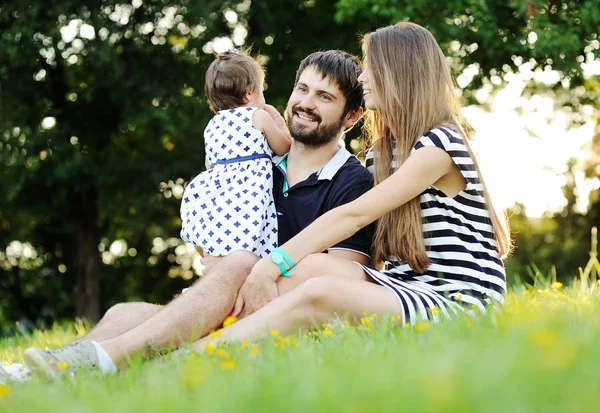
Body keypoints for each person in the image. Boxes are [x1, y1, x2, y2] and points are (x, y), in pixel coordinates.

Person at [21, 50, 374, 380]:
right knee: (123, 314)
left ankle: (95, 363)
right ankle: (49, 372)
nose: (305, 104)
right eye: (302, 89)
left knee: (239, 263)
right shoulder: (255, 167)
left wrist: (252, 276)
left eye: (324, 97)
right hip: (226, 308)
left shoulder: (352, 182)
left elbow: (341, 280)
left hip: (279, 317)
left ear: (353, 116)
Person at [185, 21, 512, 347]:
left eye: (371, 68)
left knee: (319, 290)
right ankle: (194, 337)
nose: (362, 77)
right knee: (314, 266)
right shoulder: (382, 155)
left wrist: (271, 265)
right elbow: (380, 252)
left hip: (458, 296)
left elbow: (352, 216)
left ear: (398, 74)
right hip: (402, 284)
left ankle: (194, 352)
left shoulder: (440, 145)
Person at [180, 48, 291, 259]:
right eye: (261, 90)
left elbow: (209, 164)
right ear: (249, 93)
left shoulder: (212, 125)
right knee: (257, 238)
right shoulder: (258, 116)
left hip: (221, 198)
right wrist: (277, 119)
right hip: (251, 195)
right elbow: (284, 147)